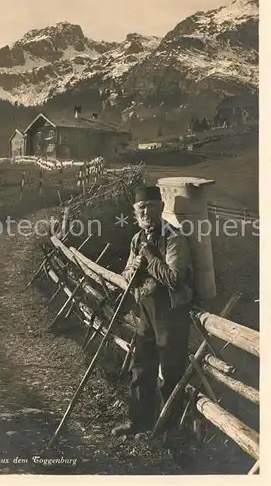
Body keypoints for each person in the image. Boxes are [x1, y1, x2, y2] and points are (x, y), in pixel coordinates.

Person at [112, 186, 193, 437]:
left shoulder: (174, 237)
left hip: (171, 312)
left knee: (171, 371)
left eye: (151, 206)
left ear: (160, 208)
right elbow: (125, 275)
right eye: (141, 208)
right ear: (135, 212)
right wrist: (133, 270)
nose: (146, 212)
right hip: (146, 310)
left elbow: (174, 279)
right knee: (142, 366)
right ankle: (138, 422)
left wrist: (148, 256)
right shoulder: (137, 239)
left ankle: (169, 432)